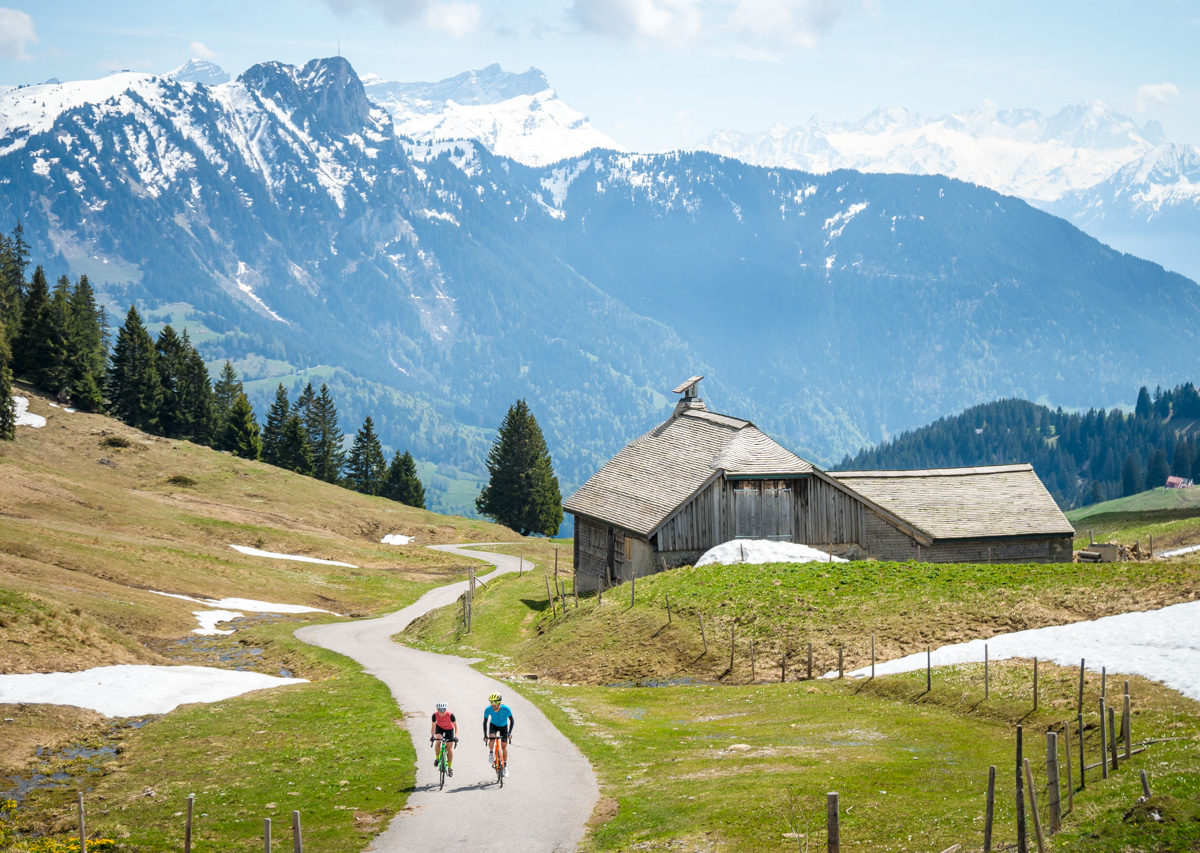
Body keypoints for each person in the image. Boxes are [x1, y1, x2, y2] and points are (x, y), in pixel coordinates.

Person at [482, 691, 515, 776]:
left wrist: (509, 733)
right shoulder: (488, 709)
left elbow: (512, 720)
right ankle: (491, 753)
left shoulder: (506, 709)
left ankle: (505, 766)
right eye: (491, 703)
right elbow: (485, 722)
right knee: (492, 738)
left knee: (504, 746)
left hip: (504, 727)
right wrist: (485, 735)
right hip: (493, 725)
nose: (492, 705)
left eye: (494, 703)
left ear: (499, 703)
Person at [430, 701, 458, 776]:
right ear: (437, 710)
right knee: (438, 740)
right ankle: (437, 758)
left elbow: (456, 726)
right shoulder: (434, 715)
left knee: (449, 748)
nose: (441, 712)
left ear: (446, 709)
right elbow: (433, 727)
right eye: (440, 710)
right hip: (439, 728)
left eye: (443, 710)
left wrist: (456, 736)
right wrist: (432, 736)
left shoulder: (450, 715)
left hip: (449, 729)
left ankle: (449, 767)